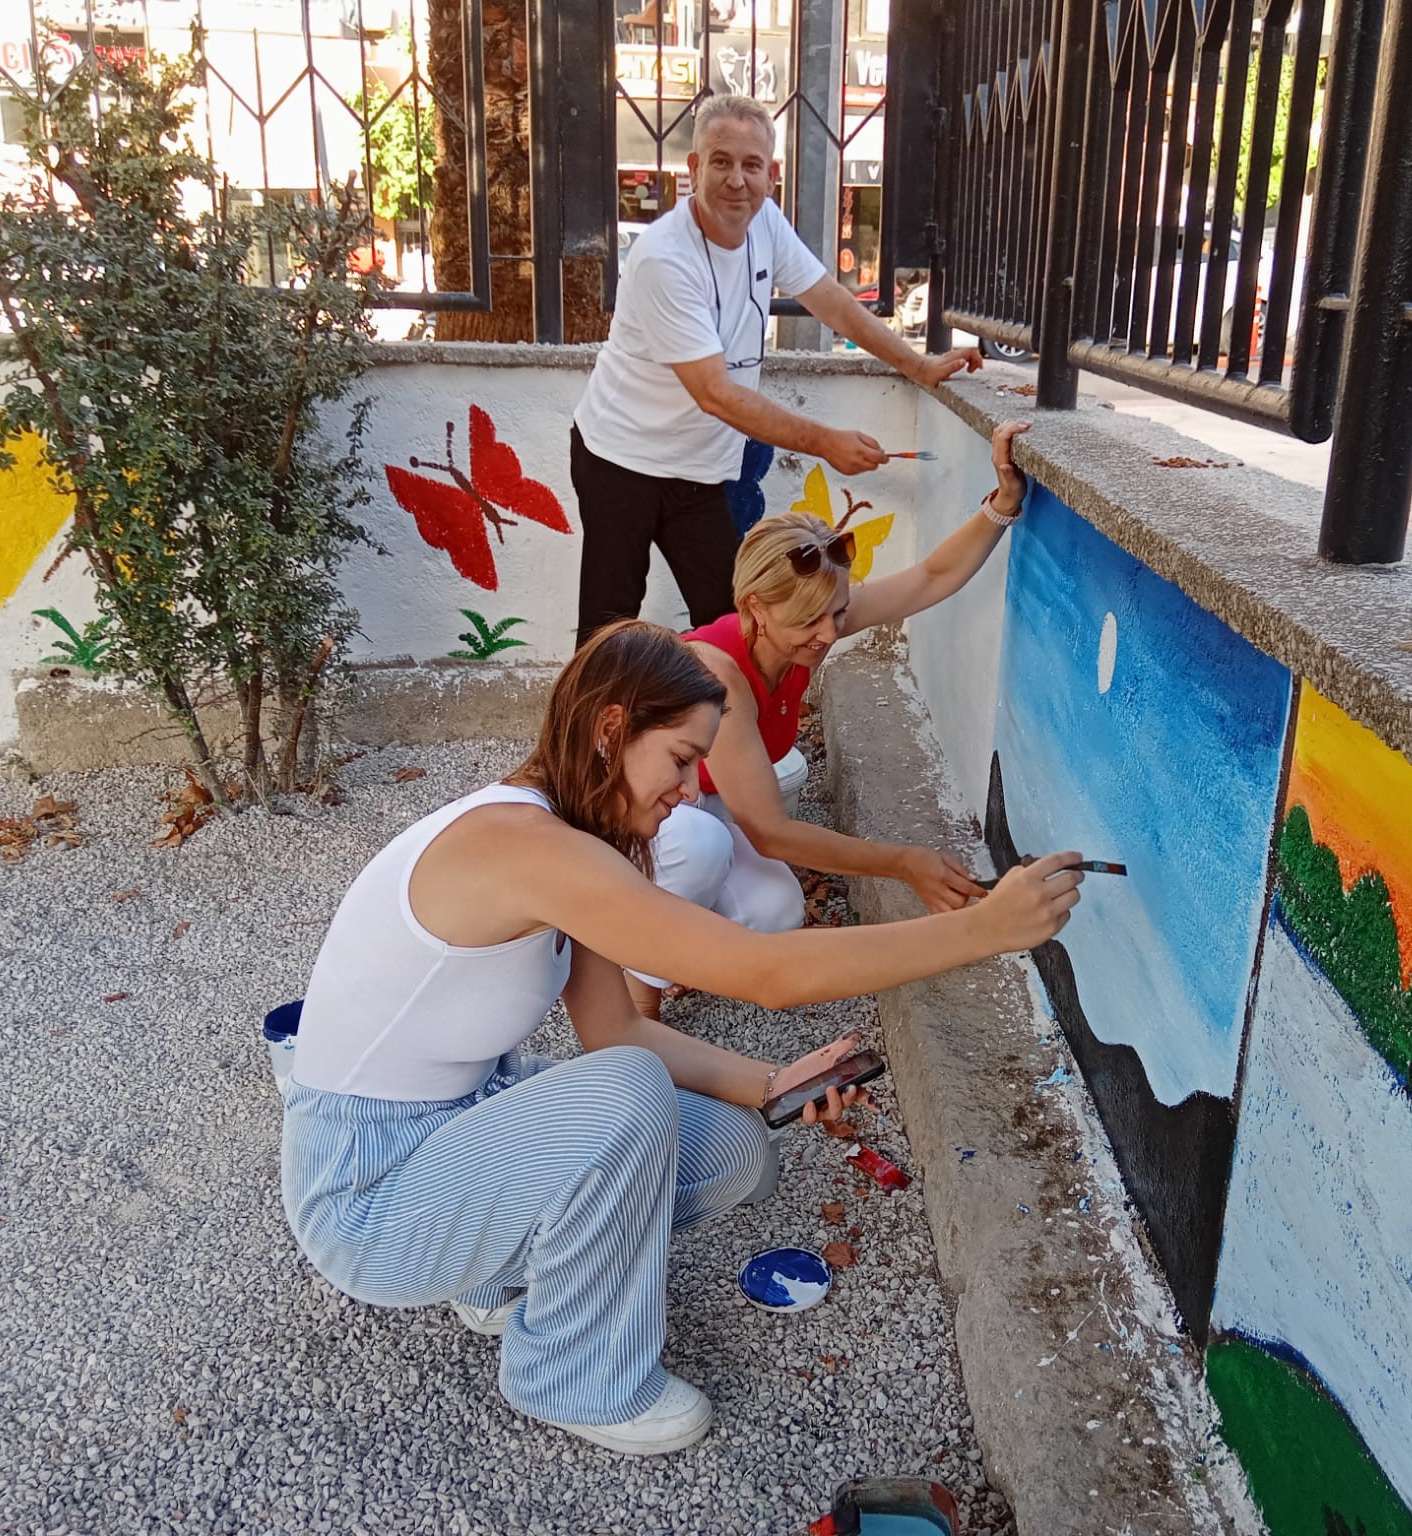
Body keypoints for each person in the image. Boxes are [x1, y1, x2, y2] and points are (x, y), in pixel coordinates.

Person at [280, 621, 1083, 1457]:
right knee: (627, 1095)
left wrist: (772, 1087)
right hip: (366, 1192)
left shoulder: (572, 836)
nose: (693, 791)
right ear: (609, 730)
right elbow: (762, 973)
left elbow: (618, 1025)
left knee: (736, 1151)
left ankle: (493, 1270)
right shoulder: (522, 846)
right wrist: (985, 930)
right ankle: (571, 1376)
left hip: (459, 1129)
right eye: (678, 759)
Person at [626, 420, 1034, 1020]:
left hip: (701, 800)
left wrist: (1003, 503)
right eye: (810, 622)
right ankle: (633, 1002)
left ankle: (678, 926)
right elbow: (769, 832)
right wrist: (903, 862)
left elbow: (930, 578)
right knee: (701, 846)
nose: (828, 636)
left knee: (775, 912)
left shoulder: (808, 623)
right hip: (632, 818)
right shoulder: (718, 674)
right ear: (754, 609)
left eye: (838, 614)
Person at [570, 93, 983, 646]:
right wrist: (826, 442)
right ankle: (589, 734)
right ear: (693, 169)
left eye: (751, 164)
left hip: (699, 472)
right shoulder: (664, 258)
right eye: (720, 161)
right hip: (621, 459)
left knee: (734, 621)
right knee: (609, 629)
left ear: (771, 174)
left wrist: (919, 365)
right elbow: (715, 393)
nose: (736, 180)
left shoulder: (765, 222)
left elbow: (829, 299)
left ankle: (726, 731)